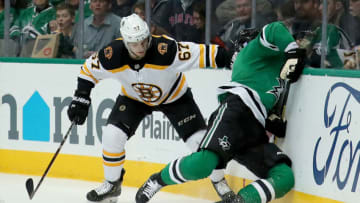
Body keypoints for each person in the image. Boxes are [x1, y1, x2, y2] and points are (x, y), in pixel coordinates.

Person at [66, 13, 234, 202]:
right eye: (134, 44)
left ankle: (219, 181)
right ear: (124, 41)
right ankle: (112, 185)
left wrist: (233, 57)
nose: (141, 48)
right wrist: (81, 98)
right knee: (112, 135)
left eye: (144, 41)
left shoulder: (167, 50)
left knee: (201, 144)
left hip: (175, 98)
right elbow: (88, 70)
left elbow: (204, 53)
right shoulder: (111, 55)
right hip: (133, 99)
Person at [135, 21, 306, 203]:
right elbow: (273, 29)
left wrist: (271, 118)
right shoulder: (249, 54)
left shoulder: (272, 63)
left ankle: (239, 201)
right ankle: (157, 180)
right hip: (235, 111)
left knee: (284, 176)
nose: (235, 54)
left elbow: (265, 94)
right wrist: (292, 50)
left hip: (254, 130)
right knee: (203, 164)